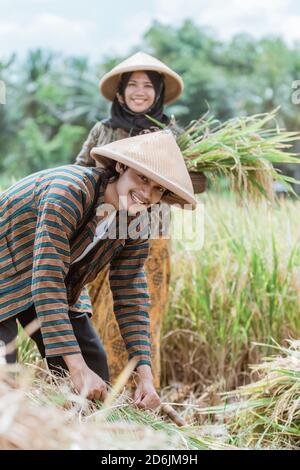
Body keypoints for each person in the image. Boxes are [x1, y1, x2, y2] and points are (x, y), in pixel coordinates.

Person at [0, 130, 197, 410]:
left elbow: (131, 295)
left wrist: (145, 374)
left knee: (95, 382)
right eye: (142, 178)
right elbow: (47, 279)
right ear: (121, 166)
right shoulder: (70, 192)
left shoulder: (135, 222)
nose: (147, 194)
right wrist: (76, 369)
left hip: (58, 284)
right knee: (3, 378)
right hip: (7, 271)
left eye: (158, 189)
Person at [75, 52, 205, 387]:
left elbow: (191, 183)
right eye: (132, 85)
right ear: (119, 93)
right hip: (101, 233)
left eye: (148, 86)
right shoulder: (102, 131)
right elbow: (79, 171)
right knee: (97, 313)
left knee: (143, 315)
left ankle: (142, 395)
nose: (140, 91)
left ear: (158, 93)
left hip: (151, 238)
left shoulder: (173, 135)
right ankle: (96, 387)